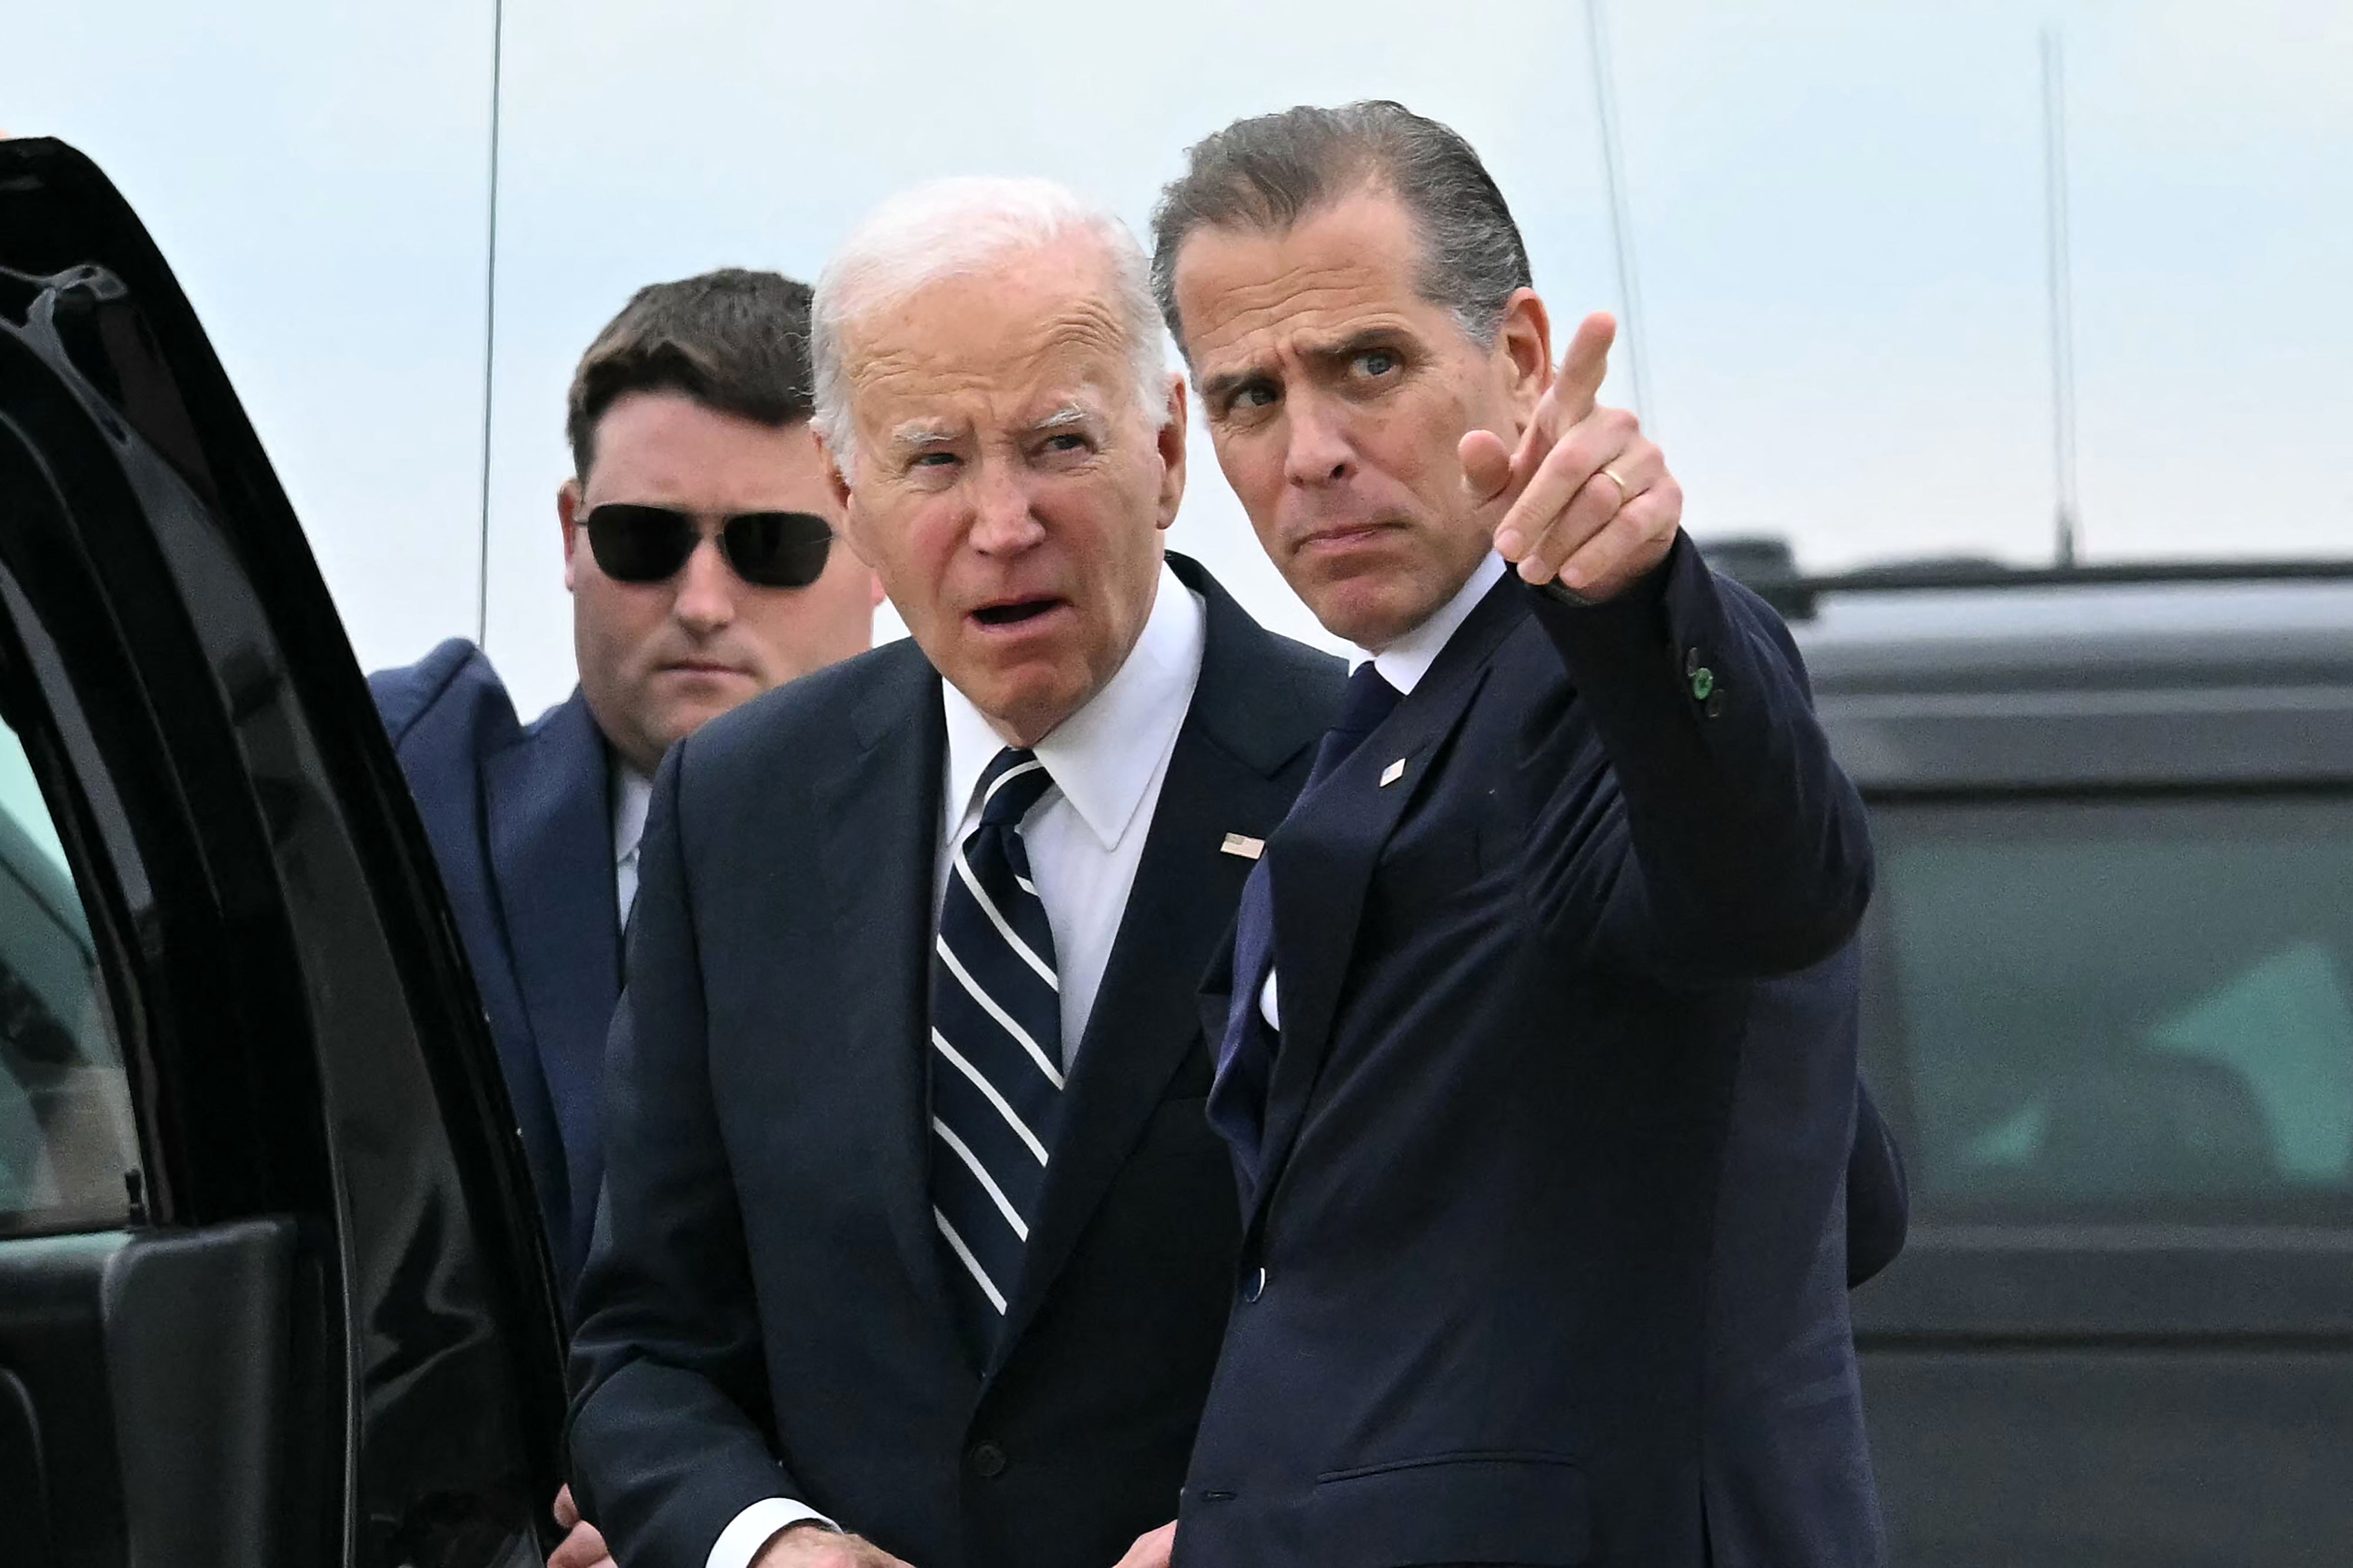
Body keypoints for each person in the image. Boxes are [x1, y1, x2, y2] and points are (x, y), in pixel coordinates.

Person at [1150, 101, 1890, 1566]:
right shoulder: (1364, 734)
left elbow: (1768, 883)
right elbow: (1837, 1195)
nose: (1310, 453)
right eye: (1246, 398)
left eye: (1369, 365)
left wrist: (1635, 599)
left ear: (1524, 358)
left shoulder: (1601, 669)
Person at [564, 179, 1344, 1568]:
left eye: (1057, 443)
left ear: (1165, 449)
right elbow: (643, 1349)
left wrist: (1263, 1540)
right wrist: (765, 1545)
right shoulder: (734, 811)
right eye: (933, 460)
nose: (1001, 522)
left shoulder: (1362, 783)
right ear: (848, 494)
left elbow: (1478, 1327)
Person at [369, 271, 880, 1567]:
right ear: (568, 532)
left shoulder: (1003, 866)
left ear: (874, 537)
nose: (702, 600)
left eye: (771, 546)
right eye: (645, 540)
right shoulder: (400, 806)